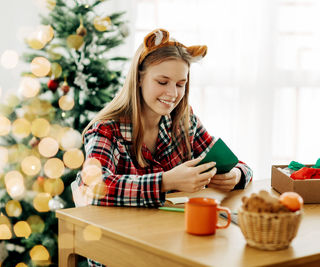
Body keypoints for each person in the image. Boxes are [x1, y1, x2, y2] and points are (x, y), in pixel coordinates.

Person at [73, 27, 253, 267]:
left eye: (180, 84)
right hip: (120, 252)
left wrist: (235, 175)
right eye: (162, 81)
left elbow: (238, 164)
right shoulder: (107, 130)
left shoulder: (183, 121)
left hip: (174, 245)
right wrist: (167, 181)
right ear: (139, 77)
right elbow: (92, 187)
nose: (172, 93)